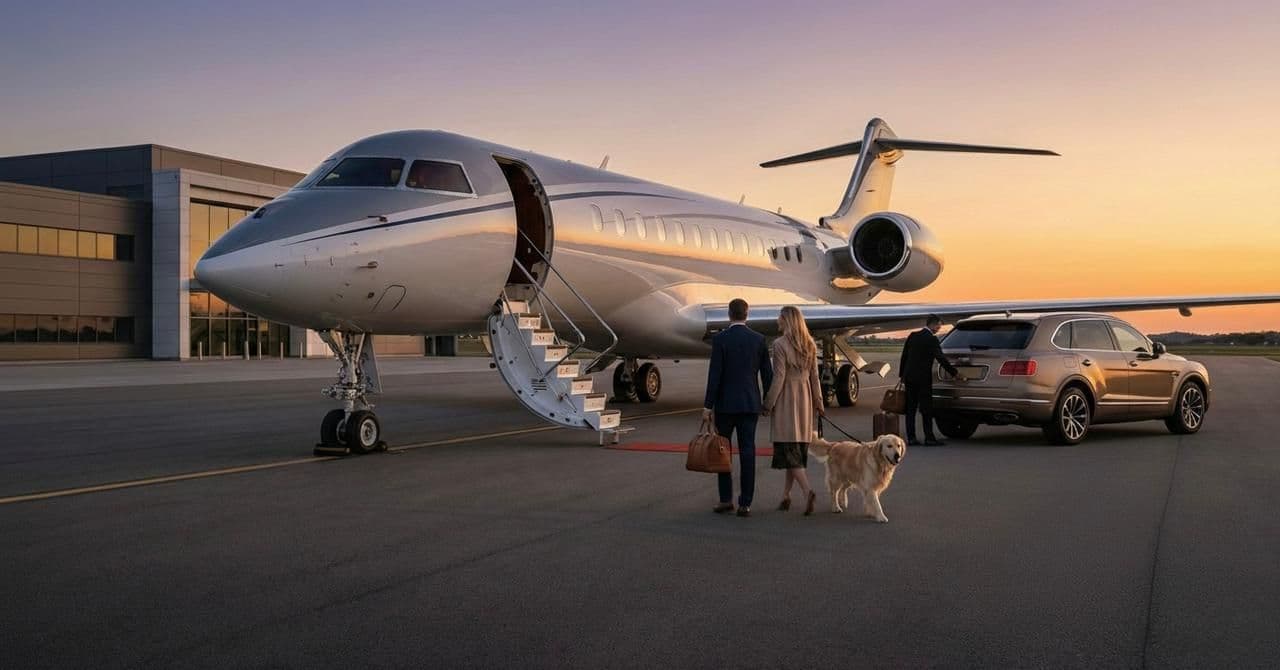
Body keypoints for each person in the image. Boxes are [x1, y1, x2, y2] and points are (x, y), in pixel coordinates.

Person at [703, 298, 773, 517]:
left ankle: (726, 500)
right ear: (747, 314)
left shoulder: (720, 339)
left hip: (725, 406)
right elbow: (767, 375)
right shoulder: (759, 339)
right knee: (748, 452)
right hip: (750, 404)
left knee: (723, 452)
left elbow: (714, 375)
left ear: (729, 314)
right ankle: (745, 503)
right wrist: (767, 403)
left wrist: (708, 406)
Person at [763, 306, 823, 516]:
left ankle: (808, 492)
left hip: (788, 398)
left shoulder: (779, 344)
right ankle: (785, 496)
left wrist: (768, 403)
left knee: (789, 450)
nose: (777, 320)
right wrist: (819, 402)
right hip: (805, 398)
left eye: (779, 316)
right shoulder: (810, 344)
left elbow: (778, 377)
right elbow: (815, 377)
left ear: (786, 320)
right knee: (795, 449)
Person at [899, 315, 964, 446]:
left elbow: (904, 356)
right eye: (939, 326)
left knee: (910, 409)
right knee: (926, 409)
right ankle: (929, 438)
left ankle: (911, 438)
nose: (939, 329)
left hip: (909, 377)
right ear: (933, 325)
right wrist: (954, 373)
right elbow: (941, 358)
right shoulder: (932, 339)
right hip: (923, 379)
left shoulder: (913, 336)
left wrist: (902, 376)